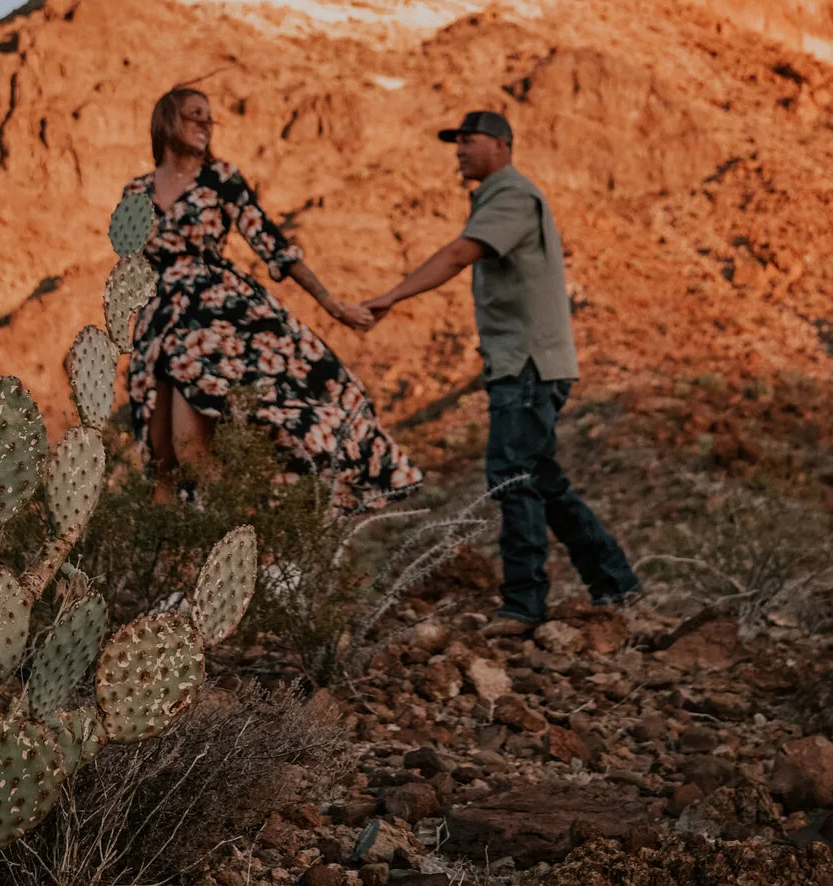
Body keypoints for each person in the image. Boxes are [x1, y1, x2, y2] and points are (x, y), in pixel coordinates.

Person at [363, 109, 639, 629]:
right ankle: (615, 584)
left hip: (528, 365)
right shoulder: (497, 197)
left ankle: (524, 604)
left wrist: (392, 296)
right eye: (458, 141)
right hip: (527, 363)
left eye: (470, 140)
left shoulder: (512, 195)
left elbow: (458, 255)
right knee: (541, 479)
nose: (460, 149)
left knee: (511, 475)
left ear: (502, 146)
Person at [121, 85, 424, 510]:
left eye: (209, 116)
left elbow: (273, 245)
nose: (206, 123)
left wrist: (330, 302)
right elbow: (127, 267)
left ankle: (241, 531)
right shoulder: (135, 191)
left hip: (211, 320)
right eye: (195, 114)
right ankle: (170, 551)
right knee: (161, 464)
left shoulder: (221, 179)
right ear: (167, 121)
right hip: (156, 324)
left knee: (192, 454)